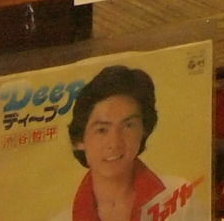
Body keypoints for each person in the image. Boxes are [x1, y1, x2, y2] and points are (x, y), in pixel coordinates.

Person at [54, 64, 188, 221]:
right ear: (79, 140)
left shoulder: (180, 198)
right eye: (102, 130)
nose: (115, 143)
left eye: (128, 126)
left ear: (144, 129)